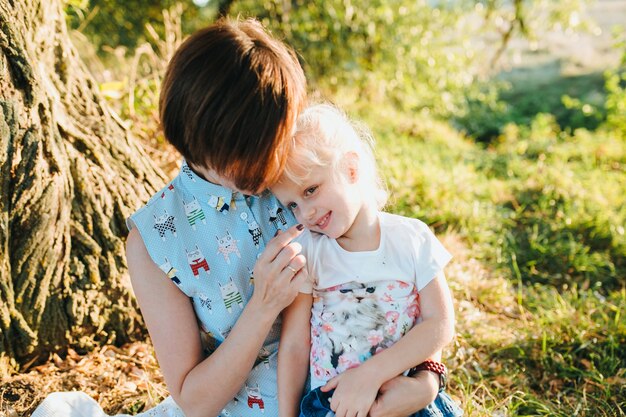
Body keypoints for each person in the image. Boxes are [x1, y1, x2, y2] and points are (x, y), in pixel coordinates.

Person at [32, 18, 443, 417]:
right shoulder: (157, 241)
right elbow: (194, 402)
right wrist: (263, 307)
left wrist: (427, 378)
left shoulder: (294, 171)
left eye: (276, 140)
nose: (271, 165)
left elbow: (389, 275)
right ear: (210, 140)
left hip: (365, 389)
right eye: (257, 151)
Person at [273, 104, 463, 417]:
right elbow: (295, 345)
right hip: (334, 407)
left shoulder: (411, 239)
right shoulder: (310, 252)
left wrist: (371, 374)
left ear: (350, 169)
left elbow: (440, 323)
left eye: (311, 190)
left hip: (403, 402)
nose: (305, 212)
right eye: (292, 204)